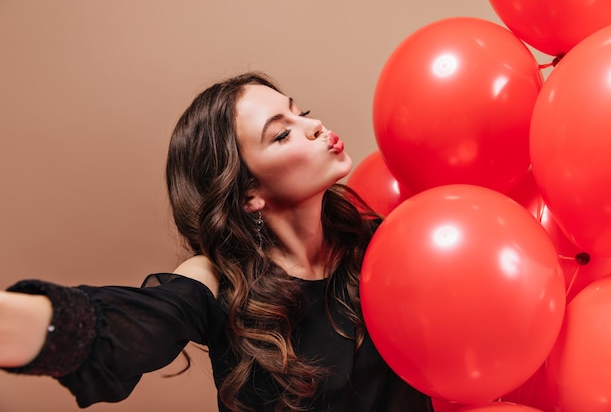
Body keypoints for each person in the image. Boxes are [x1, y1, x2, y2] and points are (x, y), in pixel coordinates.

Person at [0, 72, 432, 412]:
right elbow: (130, 323)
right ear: (249, 195)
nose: (314, 126)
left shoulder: (385, 243)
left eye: (301, 112)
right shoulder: (217, 279)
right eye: (281, 134)